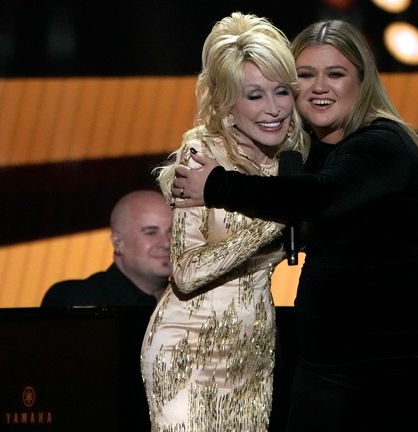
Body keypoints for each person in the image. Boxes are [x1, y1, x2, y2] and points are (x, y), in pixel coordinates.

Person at [173, 19, 418, 431]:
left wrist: (217, 184)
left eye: (336, 74)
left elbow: (317, 199)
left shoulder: (382, 144)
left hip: (398, 365)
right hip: (324, 366)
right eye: (305, 75)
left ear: (362, 82)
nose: (319, 87)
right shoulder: (308, 154)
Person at [139, 12, 308, 431]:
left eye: (281, 92)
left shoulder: (294, 159)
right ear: (226, 102)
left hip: (252, 350)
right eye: (254, 96)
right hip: (186, 348)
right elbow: (186, 271)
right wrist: (280, 214)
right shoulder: (202, 156)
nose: (273, 110)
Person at [41, 190, 172, 308]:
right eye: (151, 232)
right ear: (118, 243)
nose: (167, 243)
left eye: (172, 232)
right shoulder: (74, 300)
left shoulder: (188, 305)